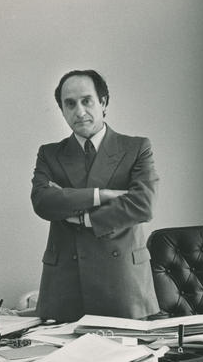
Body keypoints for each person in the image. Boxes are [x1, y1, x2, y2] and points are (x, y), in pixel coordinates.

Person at [31, 69, 160, 322]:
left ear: (103, 102)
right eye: (70, 104)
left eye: (86, 101)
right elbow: (43, 202)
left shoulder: (136, 148)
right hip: (65, 283)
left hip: (123, 282)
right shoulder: (49, 153)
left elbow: (143, 205)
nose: (79, 112)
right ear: (62, 110)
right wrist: (101, 195)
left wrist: (85, 219)